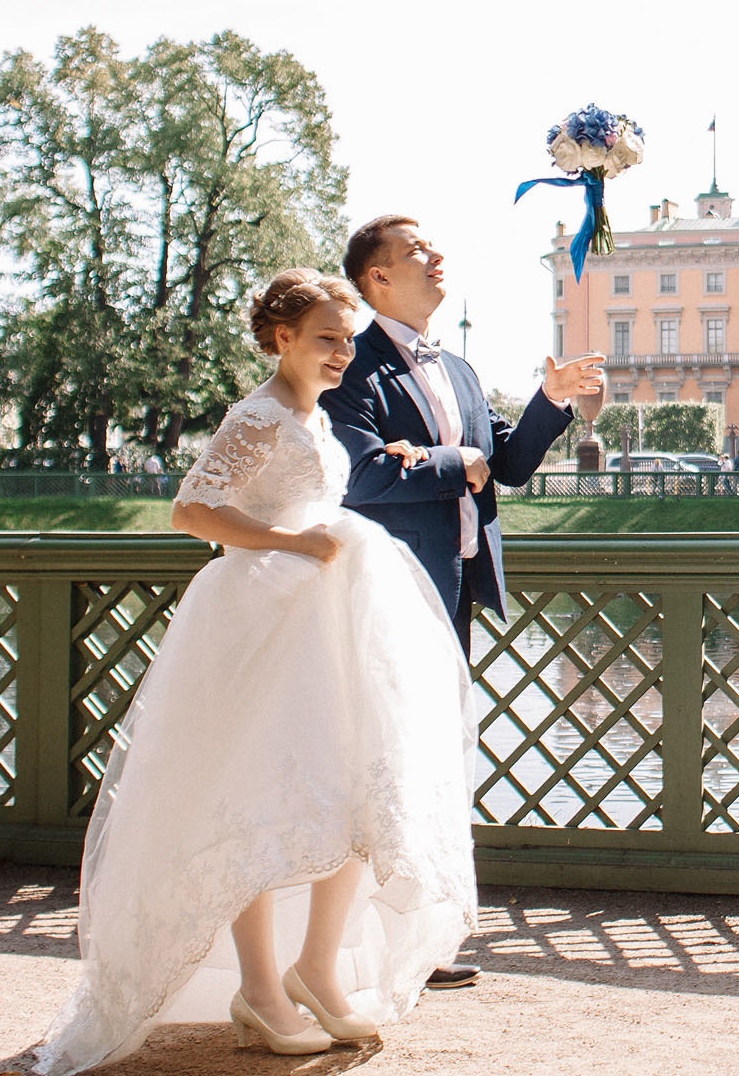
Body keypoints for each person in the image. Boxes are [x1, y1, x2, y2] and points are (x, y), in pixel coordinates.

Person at [35, 270, 481, 1073]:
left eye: (348, 340)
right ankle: (259, 989)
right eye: (326, 340)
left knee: (350, 793)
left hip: (333, 616)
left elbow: (315, 486)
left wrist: (376, 477)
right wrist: (294, 543)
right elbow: (192, 509)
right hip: (268, 617)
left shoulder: (313, 414)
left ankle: (315, 970)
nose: (344, 353)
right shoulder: (260, 413)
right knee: (258, 797)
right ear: (281, 338)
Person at [323, 217, 601, 659]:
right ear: (379, 276)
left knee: (447, 725)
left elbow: (507, 466)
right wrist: (455, 463)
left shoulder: (459, 370)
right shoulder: (349, 369)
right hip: (387, 585)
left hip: (458, 586)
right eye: (418, 249)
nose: (438, 257)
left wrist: (552, 397)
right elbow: (356, 476)